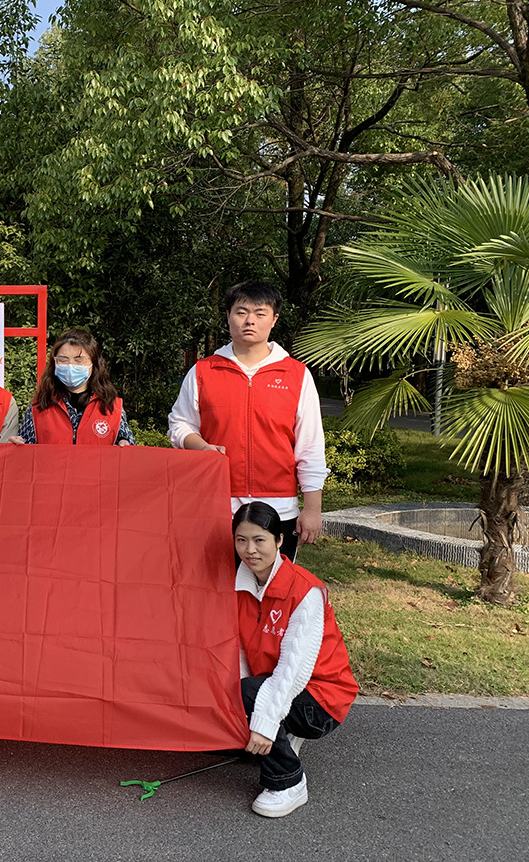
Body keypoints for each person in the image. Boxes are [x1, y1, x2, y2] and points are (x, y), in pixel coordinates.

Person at [167, 281, 328, 560]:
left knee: (272, 585)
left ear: (274, 319)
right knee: (216, 583)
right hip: (216, 503)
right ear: (228, 316)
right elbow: (179, 424)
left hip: (279, 507)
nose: (250, 321)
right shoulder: (204, 371)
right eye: (241, 312)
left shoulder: (297, 375)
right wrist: (202, 447)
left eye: (260, 313)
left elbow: (310, 446)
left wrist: (312, 509)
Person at [233, 501, 358, 817]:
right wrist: (244, 712)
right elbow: (240, 655)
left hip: (322, 698)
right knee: (234, 693)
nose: (250, 550)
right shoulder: (239, 586)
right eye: (241, 540)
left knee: (248, 694)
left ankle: (288, 781)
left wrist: (264, 720)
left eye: (259, 540)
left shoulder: (305, 591)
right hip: (274, 685)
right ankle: (279, 732)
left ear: (279, 540)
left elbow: (294, 671)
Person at [14, 329, 135, 446]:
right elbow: (25, 452)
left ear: (94, 363)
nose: (70, 366)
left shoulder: (112, 407)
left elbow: (128, 449)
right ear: (54, 363)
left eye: (79, 360)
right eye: (63, 360)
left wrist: (125, 444)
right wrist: (16, 445)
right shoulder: (39, 406)